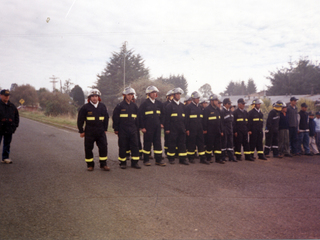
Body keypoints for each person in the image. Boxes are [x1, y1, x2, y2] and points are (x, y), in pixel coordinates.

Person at [77, 89, 110, 171]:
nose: (94, 98)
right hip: (89, 132)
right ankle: (90, 165)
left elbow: (106, 118)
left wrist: (105, 129)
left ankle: (103, 164)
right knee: (88, 148)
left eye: (96, 96)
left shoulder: (102, 106)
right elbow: (80, 120)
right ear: (89, 98)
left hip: (100, 131)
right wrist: (81, 131)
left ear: (99, 97)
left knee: (103, 147)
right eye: (92, 96)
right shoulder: (85, 107)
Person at [113, 87, 141, 169]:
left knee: (135, 145)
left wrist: (138, 127)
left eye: (132, 95)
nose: (130, 96)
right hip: (123, 129)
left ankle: (135, 162)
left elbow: (138, 118)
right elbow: (115, 118)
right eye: (128, 94)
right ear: (124, 95)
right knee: (123, 146)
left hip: (133, 129)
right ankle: (123, 162)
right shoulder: (119, 106)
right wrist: (116, 129)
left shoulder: (134, 106)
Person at [138, 86, 166, 166]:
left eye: (155, 92)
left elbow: (163, 114)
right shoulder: (144, 104)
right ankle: (146, 160)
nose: (154, 94)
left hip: (157, 127)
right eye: (153, 92)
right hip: (148, 127)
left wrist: (161, 123)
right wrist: (142, 127)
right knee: (147, 143)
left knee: (158, 143)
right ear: (149, 94)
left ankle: (158, 160)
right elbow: (140, 116)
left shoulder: (159, 103)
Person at [165, 87, 188, 165]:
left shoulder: (182, 106)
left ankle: (183, 159)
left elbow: (185, 118)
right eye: (177, 94)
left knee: (182, 144)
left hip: (181, 128)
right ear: (173, 95)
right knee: (172, 143)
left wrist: (185, 128)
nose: (178, 96)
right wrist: (167, 129)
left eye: (179, 94)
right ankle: (171, 158)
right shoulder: (169, 106)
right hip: (173, 128)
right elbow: (167, 118)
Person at [185, 91, 209, 164]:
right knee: (191, 144)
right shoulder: (188, 107)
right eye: (197, 98)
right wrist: (187, 129)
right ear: (193, 99)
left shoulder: (200, 107)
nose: (198, 99)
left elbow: (203, 119)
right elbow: (186, 119)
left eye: (199, 98)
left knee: (201, 143)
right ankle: (191, 158)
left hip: (200, 129)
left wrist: (204, 129)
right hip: (192, 129)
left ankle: (202, 158)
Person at [203, 94, 224, 164]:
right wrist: (205, 129)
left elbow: (220, 121)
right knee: (209, 145)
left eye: (217, 100)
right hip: (210, 131)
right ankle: (208, 158)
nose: (217, 102)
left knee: (218, 145)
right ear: (211, 101)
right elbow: (205, 120)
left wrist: (221, 130)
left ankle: (218, 158)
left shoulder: (218, 109)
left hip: (217, 130)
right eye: (215, 100)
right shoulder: (207, 109)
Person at [0, 89, 19, 164]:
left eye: (8, 96)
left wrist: (14, 126)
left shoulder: (12, 106)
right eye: (5, 96)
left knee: (7, 144)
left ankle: (5, 158)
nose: (7, 97)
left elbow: (16, 117)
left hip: (9, 128)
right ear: (0, 95)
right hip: (0, 128)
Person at [220, 98, 236, 162]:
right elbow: (221, 122)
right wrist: (221, 131)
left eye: (230, 103)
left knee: (230, 144)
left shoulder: (230, 112)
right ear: (224, 104)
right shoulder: (222, 112)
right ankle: (223, 157)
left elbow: (232, 122)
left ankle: (231, 157)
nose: (230, 105)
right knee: (224, 144)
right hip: (224, 130)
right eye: (228, 103)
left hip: (230, 130)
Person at [163, 89, 174, 156]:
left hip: (173, 125)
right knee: (167, 139)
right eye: (170, 96)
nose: (171, 97)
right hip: (167, 124)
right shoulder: (165, 104)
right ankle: (167, 151)